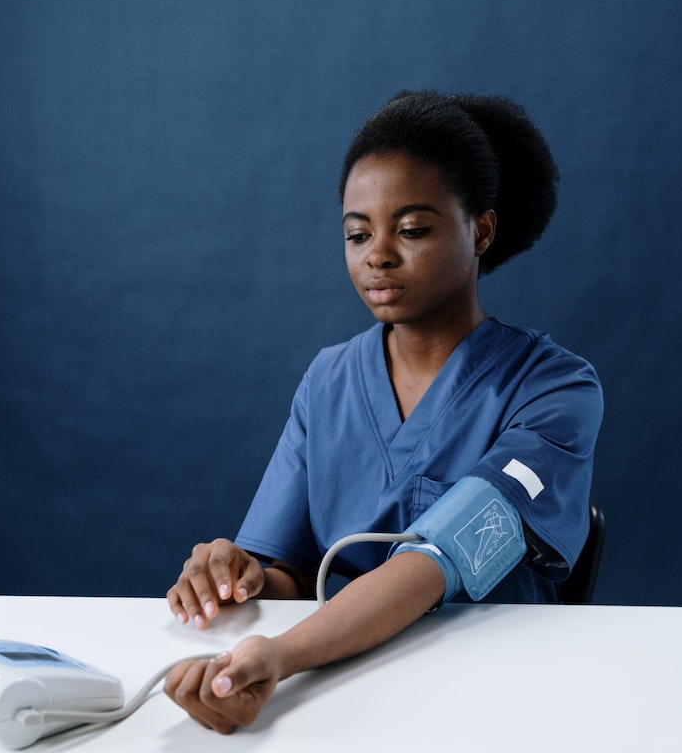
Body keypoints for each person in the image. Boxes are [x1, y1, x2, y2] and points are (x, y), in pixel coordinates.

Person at [164, 90, 603, 733]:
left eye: (413, 230)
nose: (378, 255)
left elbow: (435, 559)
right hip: (341, 682)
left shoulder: (555, 388)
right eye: (357, 233)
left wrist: (282, 655)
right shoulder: (328, 380)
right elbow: (287, 572)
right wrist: (239, 578)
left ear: (480, 229)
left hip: (497, 695)